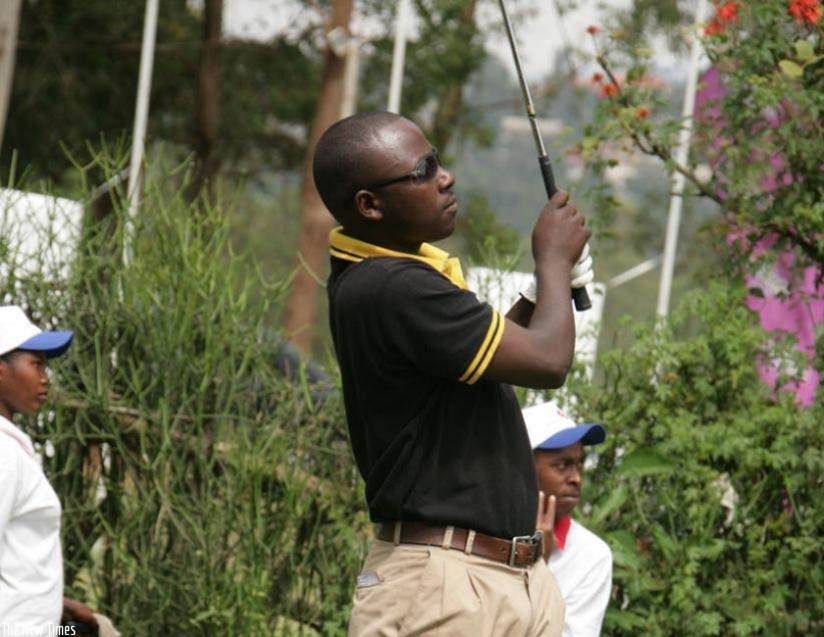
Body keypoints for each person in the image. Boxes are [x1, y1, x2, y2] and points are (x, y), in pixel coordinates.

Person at [313, 111, 592, 635]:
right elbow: (548, 362)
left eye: (436, 160)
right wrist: (553, 261)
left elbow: (491, 367)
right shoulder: (391, 285)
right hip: (443, 588)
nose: (445, 177)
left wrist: (539, 291)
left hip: (501, 580)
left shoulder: (396, 279)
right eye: (421, 171)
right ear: (369, 205)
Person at [0, 305, 114, 636]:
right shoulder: (4, 456)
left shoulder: (12, 447)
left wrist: (55, 601)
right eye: (36, 364)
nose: (45, 377)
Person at [524, 401, 613, 637]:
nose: (576, 478)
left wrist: (539, 565)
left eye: (579, 463)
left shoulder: (591, 555)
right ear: (522, 467)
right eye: (562, 465)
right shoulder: (480, 536)